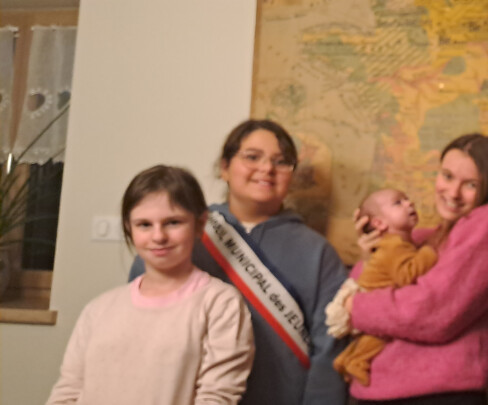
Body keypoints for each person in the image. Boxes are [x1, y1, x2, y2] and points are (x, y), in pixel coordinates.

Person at [129, 120, 348, 405]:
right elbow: (138, 321)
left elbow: (330, 347)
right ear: (224, 168)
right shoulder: (183, 234)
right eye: (252, 157)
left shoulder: (317, 252)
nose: (267, 169)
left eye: (281, 162)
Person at [47, 165, 255, 405]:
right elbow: (67, 391)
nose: (158, 236)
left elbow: (217, 396)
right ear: (129, 227)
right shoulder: (98, 309)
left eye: (173, 222)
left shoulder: (220, 304)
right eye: (144, 224)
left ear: (199, 224)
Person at [336, 134, 488, 404]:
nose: (453, 193)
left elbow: (432, 312)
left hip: (438, 396)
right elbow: (363, 286)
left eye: (471, 184)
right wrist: (368, 255)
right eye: (447, 176)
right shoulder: (423, 239)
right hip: (377, 391)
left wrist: (357, 308)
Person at [326, 188, 438, 386]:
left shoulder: (395, 244)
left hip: (364, 294)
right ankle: (357, 362)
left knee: (366, 338)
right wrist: (429, 253)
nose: (409, 203)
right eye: (398, 203)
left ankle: (344, 359)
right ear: (379, 223)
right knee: (377, 338)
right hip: (369, 297)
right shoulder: (394, 245)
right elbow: (406, 275)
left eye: (407, 199)